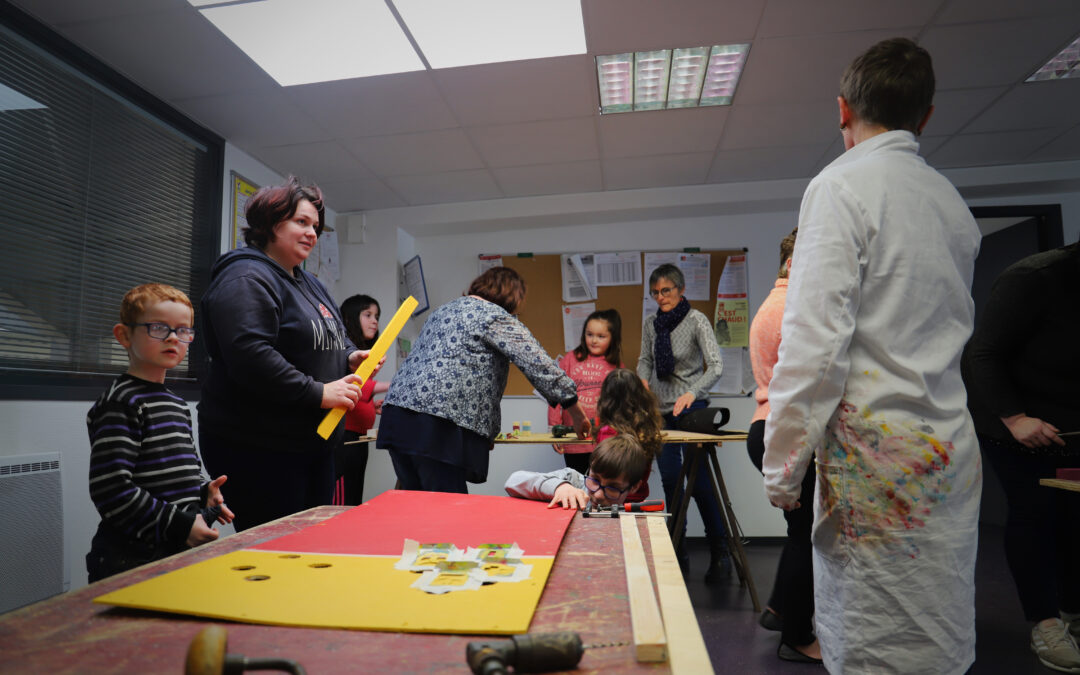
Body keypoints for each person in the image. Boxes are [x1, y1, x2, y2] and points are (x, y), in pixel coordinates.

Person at [762, 38, 982, 674]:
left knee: (872, 649)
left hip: (879, 467)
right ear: (927, 115)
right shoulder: (951, 204)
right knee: (937, 639)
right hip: (945, 456)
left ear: (842, 110)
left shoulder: (840, 187)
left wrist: (782, 471)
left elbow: (815, 347)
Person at [198, 177, 375, 531]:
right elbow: (250, 356)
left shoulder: (309, 282)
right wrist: (319, 392)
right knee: (277, 548)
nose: (312, 233)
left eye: (315, 226)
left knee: (311, 541)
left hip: (311, 444)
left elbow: (333, 335)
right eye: (301, 222)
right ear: (270, 222)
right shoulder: (246, 277)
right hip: (260, 446)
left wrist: (350, 356)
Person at [962, 241, 1080, 673]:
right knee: (1036, 513)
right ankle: (1045, 624)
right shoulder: (1033, 278)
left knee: (1074, 515)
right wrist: (1015, 418)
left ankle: (1074, 614)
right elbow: (983, 354)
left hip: (1070, 431)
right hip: (1015, 427)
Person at [378, 267, 590, 493]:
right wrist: (576, 412)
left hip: (398, 416)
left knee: (413, 503)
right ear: (511, 297)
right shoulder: (493, 315)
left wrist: (486, 430)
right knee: (446, 509)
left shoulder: (442, 311)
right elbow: (537, 362)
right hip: (438, 422)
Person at [86, 284, 234, 582]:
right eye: (158, 328)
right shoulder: (122, 402)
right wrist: (181, 525)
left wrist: (202, 493)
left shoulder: (175, 403)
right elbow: (112, 490)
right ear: (124, 335)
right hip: (132, 556)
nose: (172, 337)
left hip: (173, 547)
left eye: (183, 330)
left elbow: (166, 475)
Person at [746, 228, 820, 664]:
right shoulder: (793, 307)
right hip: (783, 431)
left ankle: (778, 610)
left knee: (801, 533)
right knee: (806, 538)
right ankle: (795, 635)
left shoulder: (775, 303)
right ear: (795, 263)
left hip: (773, 429)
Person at [637, 262, 729, 582]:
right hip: (660, 412)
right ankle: (677, 550)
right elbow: (645, 361)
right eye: (655, 293)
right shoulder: (651, 324)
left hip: (692, 410)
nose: (661, 297)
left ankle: (721, 552)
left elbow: (716, 366)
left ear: (680, 290)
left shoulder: (696, 320)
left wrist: (692, 392)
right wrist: (642, 383)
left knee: (700, 482)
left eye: (666, 291)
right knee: (670, 480)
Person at [548, 309, 623, 473]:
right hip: (574, 439)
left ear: (613, 338)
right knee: (578, 485)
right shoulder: (570, 359)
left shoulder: (616, 366)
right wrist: (553, 428)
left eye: (601, 336)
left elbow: (621, 403)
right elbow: (555, 393)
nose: (594, 340)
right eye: (590, 334)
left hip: (605, 440)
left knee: (600, 485)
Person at [333, 294, 390, 506]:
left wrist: (368, 405)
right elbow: (356, 384)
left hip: (358, 440)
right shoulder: (343, 353)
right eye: (368, 315)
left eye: (377, 316)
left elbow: (357, 394)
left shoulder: (362, 352)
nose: (375, 321)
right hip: (343, 440)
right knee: (342, 503)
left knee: (354, 499)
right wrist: (393, 386)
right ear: (348, 319)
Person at [505, 433, 650, 510]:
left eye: (613, 488)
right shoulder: (573, 480)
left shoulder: (630, 514)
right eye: (595, 480)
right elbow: (513, 481)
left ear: (634, 487)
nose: (598, 495)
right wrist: (560, 487)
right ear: (590, 467)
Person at [594, 368, 665, 503]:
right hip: (638, 499)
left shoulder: (607, 432)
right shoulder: (646, 429)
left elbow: (604, 473)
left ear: (606, 399)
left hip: (612, 500)